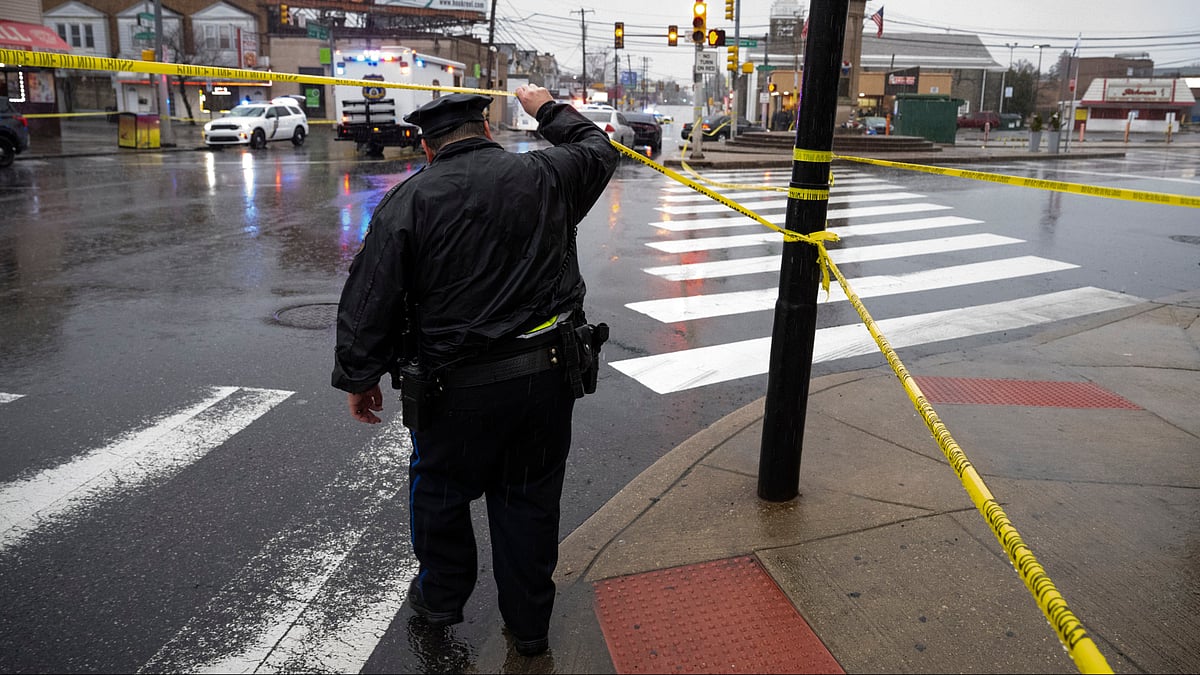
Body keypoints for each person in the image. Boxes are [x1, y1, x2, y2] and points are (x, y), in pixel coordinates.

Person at [331, 86, 619, 657]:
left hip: (452, 390)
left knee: (439, 493)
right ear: (486, 132)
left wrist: (360, 377)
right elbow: (598, 146)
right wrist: (543, 108)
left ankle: (440, 604)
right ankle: (530, 627)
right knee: (530, 501)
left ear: (428, 146)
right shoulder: (548, 176)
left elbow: (370, 299)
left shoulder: (408, 203)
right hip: (544, 378)